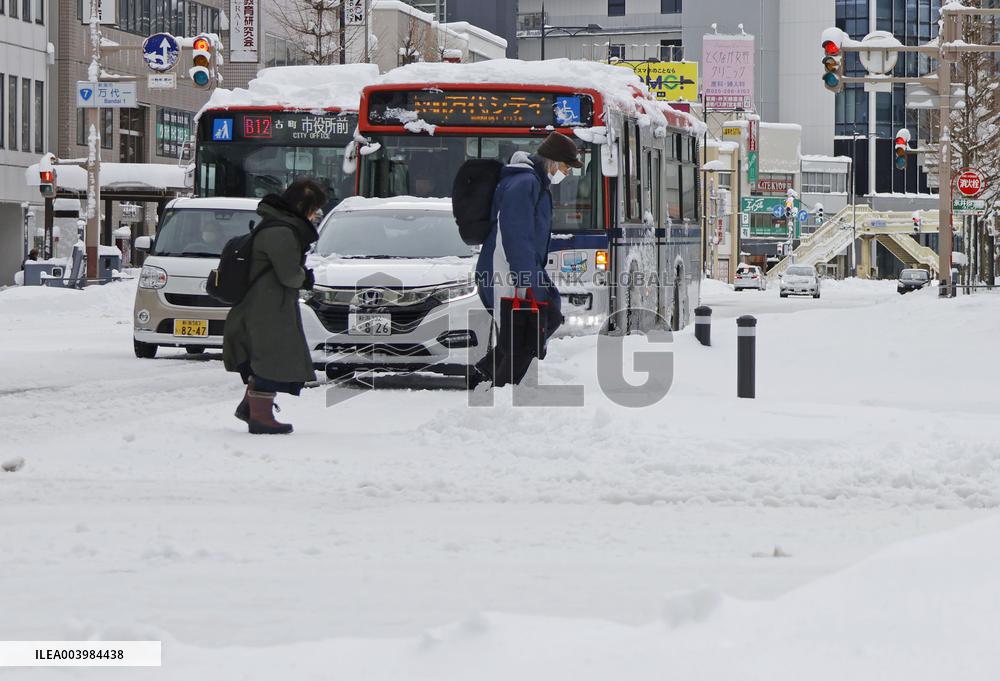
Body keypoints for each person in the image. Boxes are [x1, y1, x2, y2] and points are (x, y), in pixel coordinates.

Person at [472, 131, 583, 387]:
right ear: (552, 161)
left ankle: (486, 374)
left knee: (542, 320)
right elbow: (515, 235)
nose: (566, 173)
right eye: (566, 166)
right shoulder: (525, 184)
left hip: (520, 268)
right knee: (524, 332)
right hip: (506, 271)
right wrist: (526, 281)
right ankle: (503, 389)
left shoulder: (534, 182)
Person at [223, 177, 326, 434]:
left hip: (266, 304)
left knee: (267, 356)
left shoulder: (276, 226)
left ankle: (250, 407)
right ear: (303, 206)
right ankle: (261, 417)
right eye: (314, 210)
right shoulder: (281, 231)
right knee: (270, 358)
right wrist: (306, 277)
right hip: (267, 308)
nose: (315, 216)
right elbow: (289, 274)